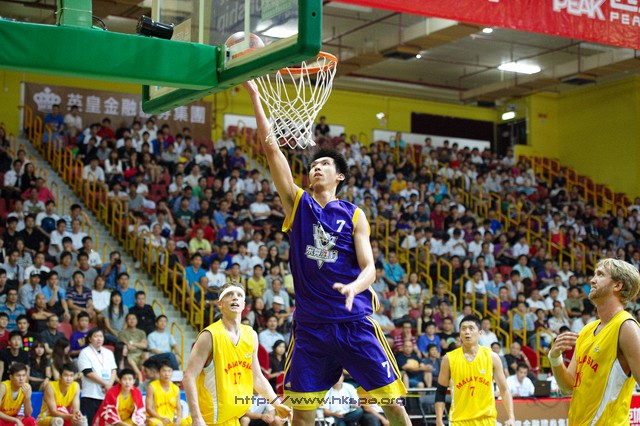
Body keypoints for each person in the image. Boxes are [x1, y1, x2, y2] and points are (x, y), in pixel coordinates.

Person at [243, 81, 409, 426]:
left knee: (393, 407)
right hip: (311, 328)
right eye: (313, 165)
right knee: (302, 416)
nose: (316, 167)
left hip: (353, 323)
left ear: (340, 176)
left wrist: (355, 287)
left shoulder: (355, 214)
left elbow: (370, 268)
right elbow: (271, 150)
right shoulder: (298, 204)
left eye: (324, 164)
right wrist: (256, 96)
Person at [183, 283, 291, 426]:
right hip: (207, 421)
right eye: (229, 294)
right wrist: (196, 418)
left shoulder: (251, 335)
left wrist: (277, 404)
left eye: (239, 295)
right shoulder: (209, 336)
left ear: (243, 304)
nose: (235, 297)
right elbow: (188, 377)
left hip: (233, 419)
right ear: (220, 304)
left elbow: (257, 378)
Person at [548, 258, 640, 425]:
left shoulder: (626, 326)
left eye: (600, 275)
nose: (592, 280)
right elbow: (567, 387)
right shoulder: (587, 330)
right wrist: (555, 358)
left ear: (617, 285)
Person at [435, 315, 515, 426]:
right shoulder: (448, 359)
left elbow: (504, 389)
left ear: (480, 333)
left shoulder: (492, 357)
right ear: (460, 334)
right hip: (459, 421)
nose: (467, 332)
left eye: (471, 328)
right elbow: (440, 391)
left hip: (486, 420)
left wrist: (511, 417)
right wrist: (439, 420)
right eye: (463, 329)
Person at [77, 328, 117, 426]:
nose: (99, 339)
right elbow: (88, 372)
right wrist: (106, 384)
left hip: (106, 394)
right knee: (92, 422)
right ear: (90, 339)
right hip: (91, 395)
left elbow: (113, 370)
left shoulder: (109, 353)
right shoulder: (85, 352)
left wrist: (109, 385)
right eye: (95, 336)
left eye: (101, 336)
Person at [145, 359, 189, 426]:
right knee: (159, 425)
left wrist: (179, 418)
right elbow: (148, 408)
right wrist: (161, 418)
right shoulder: (151, 387)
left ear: (172, 372)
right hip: (156, 418)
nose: (167, 374)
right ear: (159, 372)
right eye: (164, 371)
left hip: (170, 418)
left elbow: (179, 408)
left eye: (169, 371)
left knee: (187, 423)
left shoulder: (175, 388)